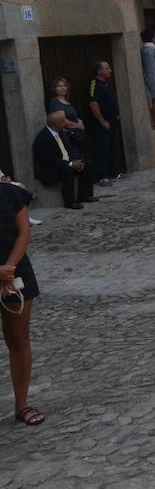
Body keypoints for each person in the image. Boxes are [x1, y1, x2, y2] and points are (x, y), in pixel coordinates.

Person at [1, 170, 41, 425]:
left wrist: (8, 269)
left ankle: (22, 404)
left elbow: (23, 233)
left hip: (15, 273)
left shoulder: (13, 194)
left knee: (19, 339)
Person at [32, 111, 92, 209]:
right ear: (57, 124)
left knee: (87, 164)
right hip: (49, 169)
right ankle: (69, 202)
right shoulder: (43, 138)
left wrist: (74, 161)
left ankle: (85, 195)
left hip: (63, 162)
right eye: (64, 121)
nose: (66, 123)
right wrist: (71, 164)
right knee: (67, 170)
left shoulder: (59, 132)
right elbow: (50, 160)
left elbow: (67, 150)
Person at [86, 61, 122, 186]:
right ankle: (103, 176)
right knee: (102, 148)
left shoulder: (107, 83)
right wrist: (102, 120)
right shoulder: (94, 84)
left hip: (112, 122)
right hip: (101, 124)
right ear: (99, 71)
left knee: (113, 146)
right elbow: (93, 103)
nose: (110, 70)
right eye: (107, 68)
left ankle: (115, 172)